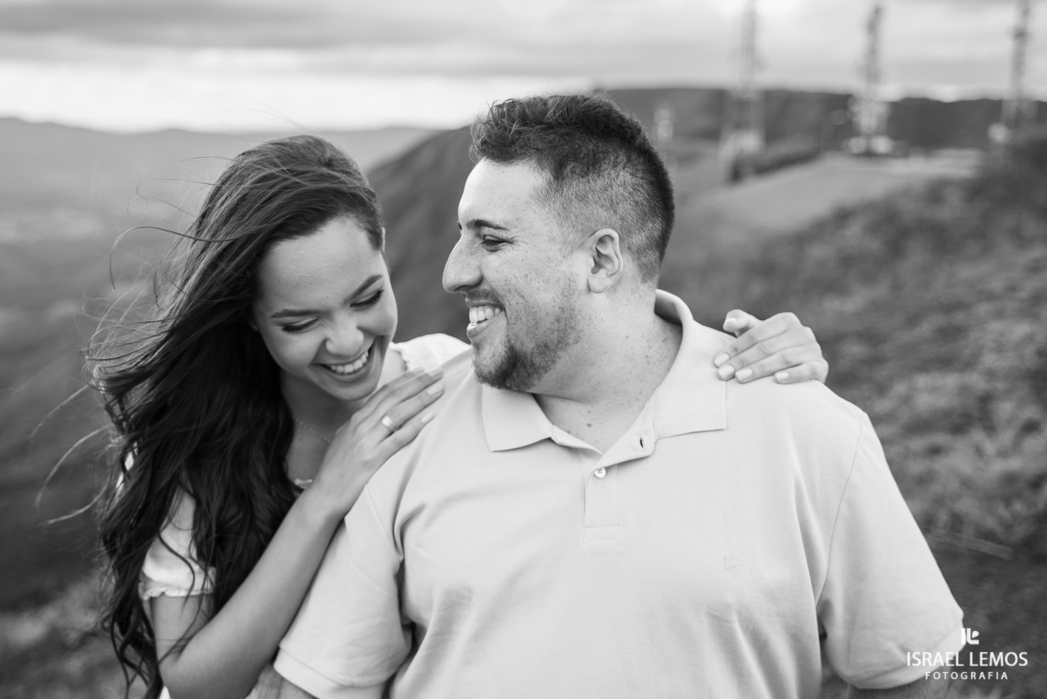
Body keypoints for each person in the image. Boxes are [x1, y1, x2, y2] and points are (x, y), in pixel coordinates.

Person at [90, 134, 830, 699]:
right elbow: (189, 682)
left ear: (388, 260)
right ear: (249, 321)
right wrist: (323, 502)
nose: (347, 342)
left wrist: (749, 360)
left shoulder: (449, 378)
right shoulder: (190, 452)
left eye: (366, 296)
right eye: (299, 322)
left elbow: (603, 380)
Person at [272, 97, 964, 699]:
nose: (455, 271)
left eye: (490, 239)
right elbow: (324, 685)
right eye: (460, 234)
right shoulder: (408, 429)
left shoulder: (810, 429)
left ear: (601, 260)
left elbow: (911, 667)